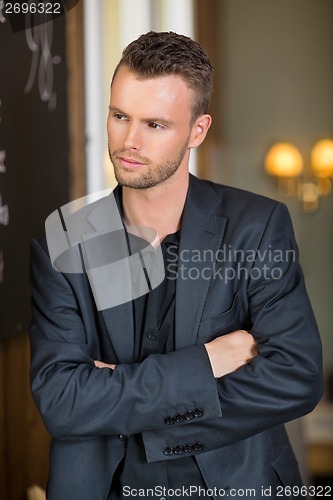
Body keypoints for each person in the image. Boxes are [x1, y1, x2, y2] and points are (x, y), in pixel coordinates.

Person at [29, 31, 323, 500]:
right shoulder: (61, 242)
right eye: (120, 116)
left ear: (197, 131)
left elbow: (296, 378)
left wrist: (126, 407)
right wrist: (206, 363)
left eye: (156, 125)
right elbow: (63, 403)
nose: (130, 140)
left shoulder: (257, 226)